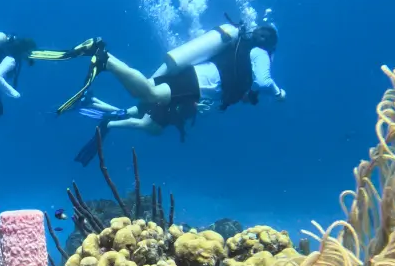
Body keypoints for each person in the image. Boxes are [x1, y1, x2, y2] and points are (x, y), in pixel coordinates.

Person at [43, 21, 285, 165]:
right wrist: (278, 92)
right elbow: (264, 82)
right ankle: (105, 58)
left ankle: (104, 68)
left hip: (197, 81)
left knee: (147, 100)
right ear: (270, 45)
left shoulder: (243, 51)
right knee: (150, 95)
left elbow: (239, 86)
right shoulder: (259, 53)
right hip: (199, 81)